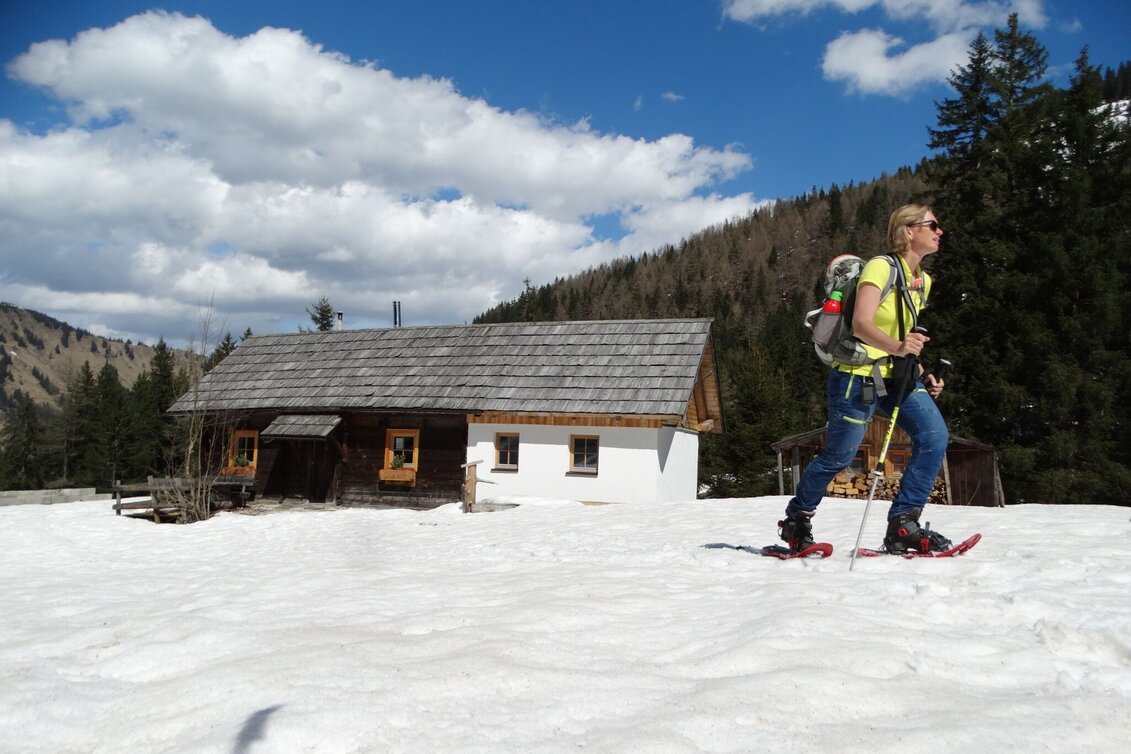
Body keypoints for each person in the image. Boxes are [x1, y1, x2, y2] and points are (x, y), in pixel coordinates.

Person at [780, 204, 952, 554]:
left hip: (897, 376)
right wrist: (902, 349)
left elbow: (904, 336)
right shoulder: (880, 267)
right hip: (857, 377)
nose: (939, 231)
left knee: (934, 436)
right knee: (839, 456)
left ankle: (903, 524)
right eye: (932, 225)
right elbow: (862, 324)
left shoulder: (924, 282)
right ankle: (797, 520)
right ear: (908, 230)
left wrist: (922, 370)